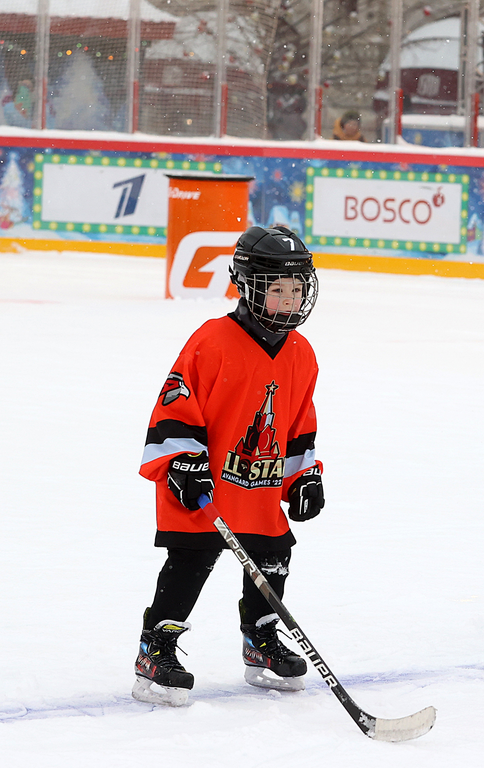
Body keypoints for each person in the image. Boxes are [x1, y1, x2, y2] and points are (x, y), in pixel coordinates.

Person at [133, 226, 326, 707]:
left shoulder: (302, 353)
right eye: (277, 288)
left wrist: (303, 474)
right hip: (204, 485)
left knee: (274, 557)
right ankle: (155, 648)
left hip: (257, 487)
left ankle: (259, 639)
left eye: (297, 287)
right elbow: (176, 403)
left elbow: (299, 422)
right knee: (191, 562)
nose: (289, 298)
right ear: (246, 284)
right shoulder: (212, 341)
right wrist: (181, 460)